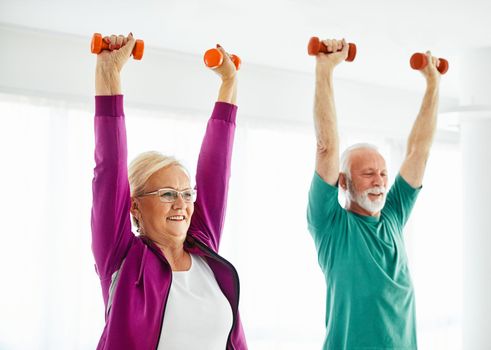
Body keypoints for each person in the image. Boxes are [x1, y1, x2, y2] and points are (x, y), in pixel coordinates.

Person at [91, 33, 247, 349]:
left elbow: (218, 171)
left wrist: (229, 83)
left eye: (187, 193)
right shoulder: (122, 257)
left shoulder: (204, 248)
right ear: (134, 206)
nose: (181, 204)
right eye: (166, 194)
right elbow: (109, 169)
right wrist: (109, 72)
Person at [307, 38, 442, 349]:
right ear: (343, 182)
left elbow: (418, 151)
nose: (379, 181)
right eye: (367, 174)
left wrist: (433, 82)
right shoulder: (331, 225)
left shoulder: (394, 215)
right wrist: (324, 69)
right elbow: (326, 148)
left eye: (382, 173)